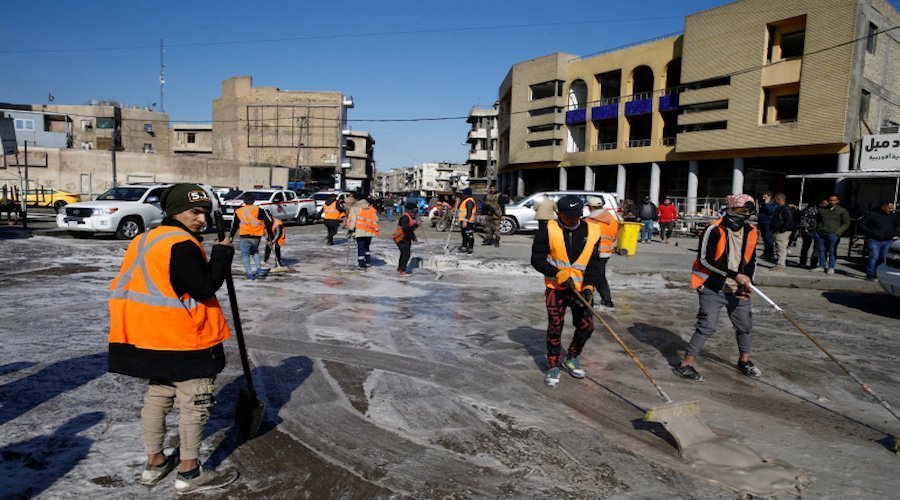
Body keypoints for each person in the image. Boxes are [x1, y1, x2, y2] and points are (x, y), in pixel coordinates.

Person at [108, 183, 238, 494]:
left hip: (147, 338)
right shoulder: (181, 243)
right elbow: (204, 287)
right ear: (175, 211)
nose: (201, 219)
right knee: (195, 403)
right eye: (195, 211)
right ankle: (190, 473)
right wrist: (221, 254)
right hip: (183, 340)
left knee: (157, 399)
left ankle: (155, 464)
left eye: (205, 212)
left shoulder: (144, 239)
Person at [673, 193, 761, 382]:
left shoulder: (752, 231)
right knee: (707, 326)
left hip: (738, 289)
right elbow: (705, 260)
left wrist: (748, 283)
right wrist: (735, 275)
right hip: (713, 287)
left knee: (745, 326)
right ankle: (685, 364)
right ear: (730, 209)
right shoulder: (713, 230)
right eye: (740, 211)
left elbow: (751, 259)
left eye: (748, 211)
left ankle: (744, 361)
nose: (745, 214)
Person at [531, 195, 604, 387]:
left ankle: (572, 357)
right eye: (568, 216)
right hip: (556, 288)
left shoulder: (593, 231)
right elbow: (537, 260)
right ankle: (553, 364)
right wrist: (557, 274)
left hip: (581, 288)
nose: (573, 219)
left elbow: (594, 263)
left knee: (587, 326)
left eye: (577, 215)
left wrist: (589, 286)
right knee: (555, 326)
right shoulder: (547, 229)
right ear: (558, 213)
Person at [584, 196, 618, 308]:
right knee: (599, 275)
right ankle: (605, 300)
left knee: (593, 276)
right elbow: (614, 236)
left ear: (590, 207)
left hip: (593, 253)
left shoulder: (589, 221)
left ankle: (596, 300)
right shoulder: (612, 219)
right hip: (606, 252)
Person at [230, 192, 273, 280]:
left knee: (245, 255)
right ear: (253, 200)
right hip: (256, 236)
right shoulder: (259, 210)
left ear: (244, 201)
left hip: (244, 236)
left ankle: (249, 274)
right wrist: (269, 236)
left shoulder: (238, 211)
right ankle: (259, 269)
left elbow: (234, 225)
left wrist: (231, 236)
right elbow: (269, 222)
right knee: (255, 252)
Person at [859, 201, 899, 280]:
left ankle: (878, 273)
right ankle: (870, 274)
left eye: (893, 208)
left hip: (888, 240)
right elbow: (862, 223)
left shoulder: (894, 216)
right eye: (889, 208)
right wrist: (870, 232)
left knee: (883, 258)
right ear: (883, 207)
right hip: (874, 239)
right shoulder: (872, 214)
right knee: (874, 257)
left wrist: (896, 233)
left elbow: (898, 225)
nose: (891, 210)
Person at [812, 194, 850, 275]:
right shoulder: (822, 209)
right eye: (830, 200)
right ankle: (822, 266)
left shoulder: (842, 211)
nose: (832, 202)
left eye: (834, 200)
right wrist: (815, 230)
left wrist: (838, 232)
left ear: (837, 201)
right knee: (821, 250)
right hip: (821, 233)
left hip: (833, 234)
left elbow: (846, 223)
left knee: (832, 251)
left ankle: (831, 267)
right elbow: (816, 220)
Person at [348, 195, 379, 270]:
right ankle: (368, 261)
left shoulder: (355, 208)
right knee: (367, 247)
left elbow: (353, 220)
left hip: (360, 230)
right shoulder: (371, 208)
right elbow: (377, 219)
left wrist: (351, 229)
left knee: (360, 247)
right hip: (370, 230)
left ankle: (361, 264)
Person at [769, 193, 797, 272]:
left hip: (783, 231)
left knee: (781, 247)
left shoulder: (786, 209)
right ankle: (779, 264)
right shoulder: (780, 208)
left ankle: (780, 265)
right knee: (779, 247)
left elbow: (789, 221)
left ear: (779, 200)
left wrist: (782, 229)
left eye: (775, 199)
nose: (774, 200)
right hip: (779, 230)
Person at [392, 201, 419, 275]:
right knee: (406, 253)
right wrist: (416, 224)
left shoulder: (410, 218)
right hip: (400, 238)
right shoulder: (404, 218)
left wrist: (413, 237)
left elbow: (410, 230)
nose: (415, 214)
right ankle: (402, 270)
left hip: (406, 238)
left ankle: (400, 267)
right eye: (414, 211)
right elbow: (406, 229)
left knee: (404, 253)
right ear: (410, 211)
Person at [798, 200, 825, 269]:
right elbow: (803, 219)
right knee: (813, 247)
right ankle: (812, 263)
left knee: (808, 247)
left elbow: (802, 220)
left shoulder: (808, 209)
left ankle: (804, 262)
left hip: (813, 230)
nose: (825, 204)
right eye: (824, 203)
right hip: (811, 230)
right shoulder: (813, 209)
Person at [482, 183, 505, 247]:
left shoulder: (499, 195)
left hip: (496, 214)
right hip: (488, 214)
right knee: (488, 229)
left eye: (493, 188)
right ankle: (488, 240)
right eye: (491, 188)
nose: (492, 189)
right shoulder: (487, 195)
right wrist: (483, 213)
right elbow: (483, 205)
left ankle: (497, 241)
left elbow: (502, 205)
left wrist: (503, 214)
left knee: (496, 229)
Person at [757, 192, 776, 262]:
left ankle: (770, 254)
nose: (763, 198)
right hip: (763, 223)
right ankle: (766, 253)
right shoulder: (763, 203)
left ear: (769, 196)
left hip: (769, 223)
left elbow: (771, 211)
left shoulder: (773, 204)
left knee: (769, 239)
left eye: (765, 197)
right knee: (764, 239)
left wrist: (767, 203)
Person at [457, 187, 477, 254]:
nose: (462, 194)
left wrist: (465, 220)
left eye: (463, 193)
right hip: (463, 220)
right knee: (464, 235)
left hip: (468, 221)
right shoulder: (464, 200)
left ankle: (470, 248)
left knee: (469, 235)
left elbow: (469, 212)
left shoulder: (469, 201)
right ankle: (464, 246)